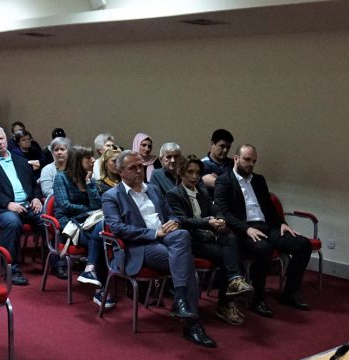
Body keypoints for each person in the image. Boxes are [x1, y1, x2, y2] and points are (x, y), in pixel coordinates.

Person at [102, 150, 217, 348]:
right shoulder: (111, 196)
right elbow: (118, 228)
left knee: (182, 234)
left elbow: (172, 214)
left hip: (167, 238)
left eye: (141, 166)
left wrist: (174, 222)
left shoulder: (153, 189)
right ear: (120, 172)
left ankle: (181, 300)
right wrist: (154, 234)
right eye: (133, 168)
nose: (139, 171)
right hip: (139, 247)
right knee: (186, 263)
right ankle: (192, 324)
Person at [213, 144, 312, 317]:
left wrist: (281, 222)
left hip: (267, 226)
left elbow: (268, 207)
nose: (250, 164)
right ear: (236, 159)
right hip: (243, 230)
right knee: (263, 249)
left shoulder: (258, 180)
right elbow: (224, 212)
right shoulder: (224, 180)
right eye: (247, 160)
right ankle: (257, 299)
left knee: (303, 244)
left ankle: (290, 292)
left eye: (254, 161)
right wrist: (246, 229)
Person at [165, 156, 253, 325]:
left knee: (230, 238)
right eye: (190, 172)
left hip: (209, 236)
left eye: (197, 173)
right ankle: (227, 301)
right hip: (192, 240)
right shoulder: (173, 194)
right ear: (181, 173)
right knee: (230, 258)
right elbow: (182, 220)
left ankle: (235, 281)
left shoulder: (202, 190)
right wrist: (207, 222)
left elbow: (215, 209)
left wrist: (220, 219)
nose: (194, 176)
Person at [0, 125, 43, 286]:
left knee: (46, 220)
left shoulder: (20, 160)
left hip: (27, 205)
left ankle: (56, 263)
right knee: (12, 222)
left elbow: (33, 185)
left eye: (1, 138)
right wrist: (8, 203)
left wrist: (36, 198)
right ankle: (11, 269)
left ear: (6, 139)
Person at [52, 145, 107, 288]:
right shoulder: (61, 178)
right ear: (77, 161)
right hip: (70, 225)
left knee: (103, 234)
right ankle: (101, 287)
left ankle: (91, 272)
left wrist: (89, 183)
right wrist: (87, 211)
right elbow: (65, 206)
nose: (93, 160)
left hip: (89, 223)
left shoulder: (88, 178)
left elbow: (96, 205)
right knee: (103, 239)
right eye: (88, 157)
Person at [200, 128, 234, 195]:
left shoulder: (233, 163)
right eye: (222, 146)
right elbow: (219, 185)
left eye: (228, 147)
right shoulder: (202, 164)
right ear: (212, 144)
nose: (225, 150)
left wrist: (218, 179)